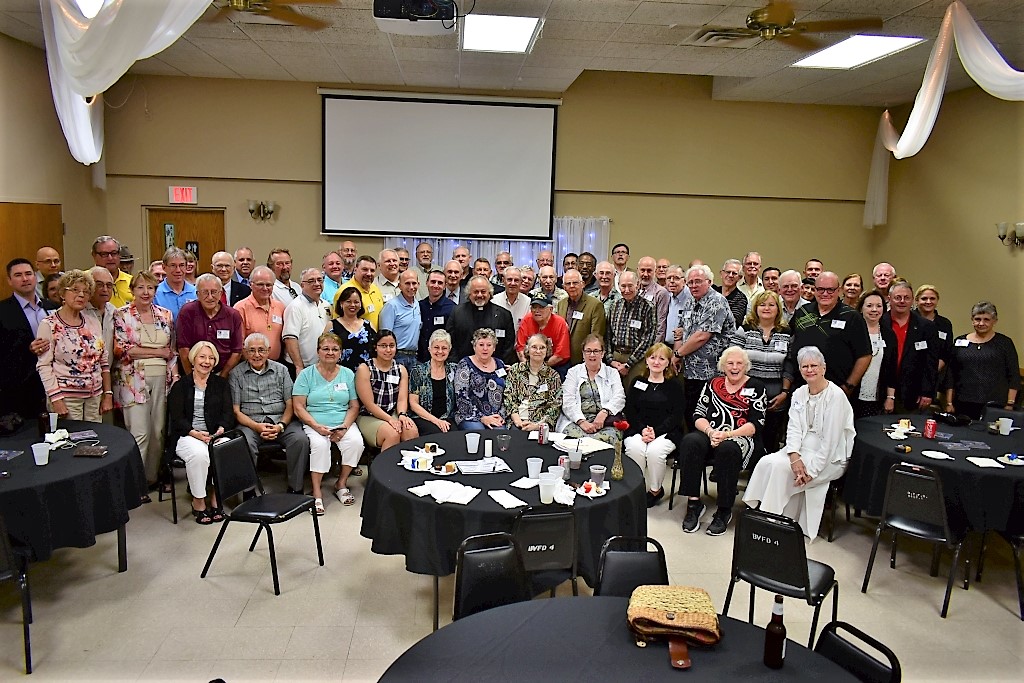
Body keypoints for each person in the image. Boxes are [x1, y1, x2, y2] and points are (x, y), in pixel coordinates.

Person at [744, 346, 855, 539]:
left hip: (831, 458)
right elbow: (793, 428)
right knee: (767, 462)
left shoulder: (836, 396)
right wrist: (794, 456)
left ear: (823, 368)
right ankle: (771, 517)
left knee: (780, 470)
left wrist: (811, 471)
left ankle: (771, 523)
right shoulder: (799, 393)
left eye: (814, 366)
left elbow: (830, 442)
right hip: (802, 448)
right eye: (805, 366)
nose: (810, 370)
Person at [678, 346, 767, 537]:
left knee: (728, 449)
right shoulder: (713, 383)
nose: (735, 367)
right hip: (712, 433)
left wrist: (727, 434)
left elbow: (756, 424)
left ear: (746, 366)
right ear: (723, 366)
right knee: (690, 441)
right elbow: (698, 414)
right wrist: (711, 432)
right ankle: (694, 503)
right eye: (730, 363)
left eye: (739, 363)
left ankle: (724, 509)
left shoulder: (756, 386)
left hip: (741, 437)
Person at [113, 271, 177, 492]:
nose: (145, 292)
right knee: (139, 433)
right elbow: (123, 350)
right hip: (133, 381)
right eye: (140, 287)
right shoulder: (121, 315)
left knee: (159, 432)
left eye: (150, 288)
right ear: (132, 290)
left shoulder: (165, 315)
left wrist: (174, 375)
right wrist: (159, 351)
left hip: (162, 379)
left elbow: (172, 352)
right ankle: (134, 484)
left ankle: (151, 478)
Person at [230, 333, 311, 495]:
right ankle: (249, 491)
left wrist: (281, 425)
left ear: (268, 351)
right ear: (244, 352)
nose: (257, 355)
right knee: (243, 442)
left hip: (281, 420)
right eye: (251, 350)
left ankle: (295, 488)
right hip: (250, 423)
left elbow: (290, 403)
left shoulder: (281, 370)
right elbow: (236, 411)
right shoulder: (236, 373)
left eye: (261, 350)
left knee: (300, 440)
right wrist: (256, 426)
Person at [292, 332, 363, 513]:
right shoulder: (306, 375)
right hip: (314, 423)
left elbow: (354, 406)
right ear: (318, 351)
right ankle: (316, 493)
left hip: (342, 423)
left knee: (356, 442)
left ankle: (341, 484)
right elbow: (298, 406)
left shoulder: (347, 374)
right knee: (319, 446)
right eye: (326, 349)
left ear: (340, 353)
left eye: (335, 349)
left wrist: (345, 427)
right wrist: (317, 427)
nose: (330, 352)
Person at [166, 341, 234, 524]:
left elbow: (228, 413)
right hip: (187, 435)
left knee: (226, 449)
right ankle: (198, 501)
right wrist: (194, 433)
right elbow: (177, 418)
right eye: (202, 357)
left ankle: (215, 497)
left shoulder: (221, 384)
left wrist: (220, 429)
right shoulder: (181, 386)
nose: (207, 361)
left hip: (214, 434)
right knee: (200, 454)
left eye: (211, 358)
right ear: (193, 359)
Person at [36, 269, 112, 422]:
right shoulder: (49, 325)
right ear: (62, 294)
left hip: (94, 397)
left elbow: (103, 362)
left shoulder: (93, 321)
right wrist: (56, 399)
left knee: (94, 442)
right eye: (75, 290)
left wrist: (107, 394)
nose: (81, 295)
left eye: (86, 292)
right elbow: (44, 366)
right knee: (70, 442)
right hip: (66, 397)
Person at [784, 271, 871, 400]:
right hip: (801, 390)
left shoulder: (851, 317)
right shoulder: (803, 312)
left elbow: (865, 356)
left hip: (837, 392)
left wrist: (848, 386)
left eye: (830, 290)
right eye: (820, 289)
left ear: (839, 290)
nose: (825, 294)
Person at [673, 264, 736, 430]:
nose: (693, 285)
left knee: (708, 418)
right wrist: (677, 352)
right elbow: (680, 331)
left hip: (711, 373)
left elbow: (702, 336)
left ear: (709, 282)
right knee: (690, 413)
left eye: (698, 281)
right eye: (690, 282)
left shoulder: (717, 302)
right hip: (690, 370)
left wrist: (678, 354)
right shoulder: (690, 301)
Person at [623, 343, 685, 507]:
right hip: (638, 429)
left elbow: (676, 415)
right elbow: (630, 411)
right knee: (635, 448)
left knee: (654, 452)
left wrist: (655, 432)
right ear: (647, 360)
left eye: (661, 358)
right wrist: (643, 429)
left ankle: (655, 491)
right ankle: (636, 488)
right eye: (653, 357)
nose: (656, 362)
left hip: (667, 431)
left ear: (667, 363)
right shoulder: (637, 382)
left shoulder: (674, 385)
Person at [732, 291, 791, 455]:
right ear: (755, 308)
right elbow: (733, 360)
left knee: (770, 438)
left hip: (776, 396)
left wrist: (785, 392)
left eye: (771, 305)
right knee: (747, 434)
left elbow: (789, 364)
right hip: (747, 394)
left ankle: (765, 472)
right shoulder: (745, 330)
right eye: (762, 304)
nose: (767, 308)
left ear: (778, 309)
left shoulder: (786, 332)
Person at [0, 259, 57, 420]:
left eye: (28, 274)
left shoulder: (51, 306)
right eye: (18, 275)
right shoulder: (3, 311)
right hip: (21, 388)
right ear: (10, 281)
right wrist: (28, 348)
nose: (25, 279)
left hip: (53, 383)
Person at [945, 301, 1019, 419]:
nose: (981, 323)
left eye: (986, 319)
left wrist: (1010, 404)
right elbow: (951, 374)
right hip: (963, 403)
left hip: (995, 405)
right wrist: (949, 402)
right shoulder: (960, 341)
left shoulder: (1004, 343)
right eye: (977, 319)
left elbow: (1013, 375)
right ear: (972, 320)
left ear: (994, 321)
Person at [557, 333, 626, 444]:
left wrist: (604, 412)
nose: (592, 355)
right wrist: (581, 421)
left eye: (596, 351)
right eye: (588, 351)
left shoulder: (612, 373)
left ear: (602, 353)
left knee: (605, 441)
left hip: (605, 421)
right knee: (575, 442)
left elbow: (620, 397)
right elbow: (567, 401)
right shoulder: (573, 372)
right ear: (583, 354)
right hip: (577, 421)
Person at [881, 281, 938, 413]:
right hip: (882, 388)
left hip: (913, 392)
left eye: (906, 298)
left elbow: (931, 363)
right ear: (889, 299)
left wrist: (927, 392)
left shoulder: (926, 327)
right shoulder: (880, 323)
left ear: (912, 300)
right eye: (898, 297)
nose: (902, 301)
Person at [355, 330, 418, 449]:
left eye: (391, 346)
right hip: (369, 416)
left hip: (392, 412)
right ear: (375, 348)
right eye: (383, 346)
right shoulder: (365, 369)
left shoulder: (401, 369)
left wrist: (402, 415)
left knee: (411, 431)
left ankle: (408, 465)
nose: (388, 350)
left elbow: (401, 400)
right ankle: (385, 467)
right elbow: (369, 405)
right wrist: (390, 420)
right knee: (392, 434)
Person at [176, 274, 244, 378]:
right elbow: (183, 348)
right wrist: (191, 378)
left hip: (223, 373)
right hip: (193, 372)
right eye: (205, 292)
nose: (210, 297)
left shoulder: (233, 315)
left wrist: (222, 378)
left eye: (214, 292)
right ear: (197, 294)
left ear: (221, 293)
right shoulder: (187, 312)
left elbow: (237, 351)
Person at [446, 276, 516, 363]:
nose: (479, 295)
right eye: (476, 292)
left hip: (495, 369)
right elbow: (450, 341)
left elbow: (508, 346)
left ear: (489, 293)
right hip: (463, 367)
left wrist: (500, 366)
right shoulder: (457, 313)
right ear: (469, 293)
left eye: (483, 291)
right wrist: (456, 365)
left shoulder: (504, 315)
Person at [605, 271, 657, 387]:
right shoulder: (615, 306)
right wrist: (610, 360)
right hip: (615, 358)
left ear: (637, 285)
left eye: (630, 285)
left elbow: (648, 339)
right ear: (618, 286)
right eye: (623, 286)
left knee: (633, 394)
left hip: (637, 360)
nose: (626, 290)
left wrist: (628, 364)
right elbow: (608, 335)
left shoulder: (648, 307)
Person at [504, 333, 563, 432]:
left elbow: (555, 405)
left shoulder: (553, 376)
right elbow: (509, 397)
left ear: (547, 350)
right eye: (534, 347)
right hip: (516, 422)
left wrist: (537, 425)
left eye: (542, 347)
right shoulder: (516, 370)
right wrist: (517, 421)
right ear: (527, 349)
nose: (538, 351)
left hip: (540, 425)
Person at [453, 328, 508, 430]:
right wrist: (482, 418)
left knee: (500, 433)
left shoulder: (500, 364)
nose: (485, 348)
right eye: (481, 345)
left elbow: (508, 394)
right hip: (469, 415)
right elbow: (461, 397)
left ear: (494, 348)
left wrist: (501, 415)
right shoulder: (465, 364)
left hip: (495, 416)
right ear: (474, 347)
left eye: (489, 345)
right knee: (479, 433)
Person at [854, 290, 896, 420]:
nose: (874, 310)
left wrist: (890, 397)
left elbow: (892, 368)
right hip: (852, 394)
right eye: (869, 305)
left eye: (878, 306)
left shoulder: (889, 334)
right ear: (861, 308)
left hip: (878, 396)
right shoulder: (852, 331)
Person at [282, 268, 333, 375]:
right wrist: (299, 366)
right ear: (302, 285)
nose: (317, 284)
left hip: (321, 366)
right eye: (311, 281)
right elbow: (290, 339)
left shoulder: (326, 306)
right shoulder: (295, 307)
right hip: (301, 367)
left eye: (320, 280)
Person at [234, 265, 287, 363]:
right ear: (251, 284)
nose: (265, 288)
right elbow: (239, 344)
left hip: (277, 365)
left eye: (269, 285)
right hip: (251, 365)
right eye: (260, 284)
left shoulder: (280, 307)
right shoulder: (240, 308)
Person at [409, 329, 457, 435]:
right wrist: (436, 421)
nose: (440, 351)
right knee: (437, 434)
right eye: (436, 347)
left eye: (444, 348)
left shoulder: (454, 369)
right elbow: (413, 404)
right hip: (424, 418)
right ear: (429, 349)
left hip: (447, 417)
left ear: (449, 350)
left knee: (455, 437)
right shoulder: (418, 371)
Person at [555, 268, 606, 367]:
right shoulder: (561, 304)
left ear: (582, 284)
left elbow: (596, 336)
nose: (572, 286)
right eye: (568, 284)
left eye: (575, 283)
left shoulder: (595, 305)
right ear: (564, 287)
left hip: (582, 360)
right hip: (561, 360)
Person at [516, 293, 570, 374]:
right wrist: (529, 367)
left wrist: (540, 368)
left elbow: (560, 354)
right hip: (529, 365)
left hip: (555, 365)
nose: (537, 311)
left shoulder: (560, 323)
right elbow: (520, 348)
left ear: (551, 309)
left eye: (541, 307)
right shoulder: (526, 320)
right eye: (534, 307)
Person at [379, 269, 421, 371]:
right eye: (407, 283)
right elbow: (385, 337)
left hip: (414, 357)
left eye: (414, 283)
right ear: (399, 285)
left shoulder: (417, 304)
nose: (411, 287)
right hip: (397, 356)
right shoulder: (391, 306)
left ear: (418, 284)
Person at [332, 285, 377, 372]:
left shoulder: (368, 325)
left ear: (360, 304)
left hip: (366, 373)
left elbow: (376, 349)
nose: (352, 305)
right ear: (341, 304)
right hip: (340, 373)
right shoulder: (332, 325)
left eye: (356, 302)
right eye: (348, 301)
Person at [914, 284, 954, 376]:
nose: (928, 302)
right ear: (916, 300)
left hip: (936, 374)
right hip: (910, 373)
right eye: (924, 299)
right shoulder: (909, 320)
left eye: (932, 298)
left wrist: (933, 370)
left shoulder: (945, 324)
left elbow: (947, 351)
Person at [336, 255, 384, 329]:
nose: (369, 274)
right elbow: (337, 323)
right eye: (365, 269)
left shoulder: (375, 289)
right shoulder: (344, 290)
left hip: (375, 338)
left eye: (372, 270)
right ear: (355, 270)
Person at [418, 269, 454, 361]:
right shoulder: (419, 306)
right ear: (427, 283)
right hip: (420, 359)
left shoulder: (452, 308)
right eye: (433, 282)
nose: (436, 285)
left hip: (441, 359)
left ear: (445, 286)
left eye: (440, 283)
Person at [154, 247, 197, 321]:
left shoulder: (196, 292)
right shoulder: (155, 293)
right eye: (173, 265)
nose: (178, 270)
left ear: (186, 267)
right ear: (164, 267)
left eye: (181, 265)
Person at [91, 235, 133, 308]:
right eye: (104, 254)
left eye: (114, 253)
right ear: (94, 255)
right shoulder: (85, 280)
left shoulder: (132, 281)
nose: (110, 258)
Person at [636, 256, 670, 341]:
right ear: (637, 270)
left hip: (650, 343)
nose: (645, 274)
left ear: (655, 272)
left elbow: (661, 325)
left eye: (649, 271)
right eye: (642, 270)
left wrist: (655, 349)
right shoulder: (633, 290)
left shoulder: (661, 293)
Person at [492, 267, 529, 332]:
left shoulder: (527, 302)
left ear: (521, 282)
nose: (513, 283)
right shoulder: (494, 301)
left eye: (516, 280)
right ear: (503, 281)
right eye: (509, 279)